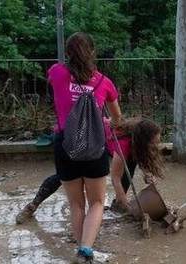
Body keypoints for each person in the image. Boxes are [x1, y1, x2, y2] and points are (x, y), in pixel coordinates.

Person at [49, 32, 122, 263]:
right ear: (93, 52)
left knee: (76, 204)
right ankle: (86, 250)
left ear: (69, 53)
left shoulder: (57, 73)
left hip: (65, 145)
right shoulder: (104, 82)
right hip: (94, 148)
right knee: (98, 203)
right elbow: (117, 119)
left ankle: (82, 251)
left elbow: (55, 88)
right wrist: (108, 122)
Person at [15, 118, 164, 221]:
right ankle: (32, 205)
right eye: (154, 142)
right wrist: (128, 207)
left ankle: (116, 206)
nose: (157, 145)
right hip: (83, 138)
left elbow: (141, 155)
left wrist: (148, 174)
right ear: (143, 140)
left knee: (129, 166)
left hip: (100, 138)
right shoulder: (124, 144)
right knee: (65, 176)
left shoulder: (136, 140)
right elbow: (115, 178)